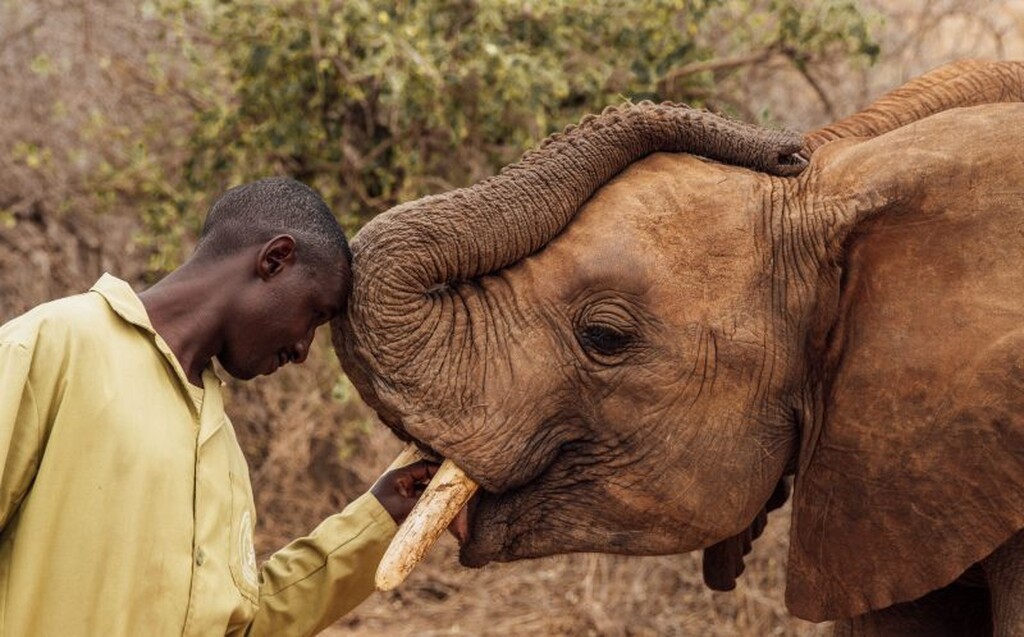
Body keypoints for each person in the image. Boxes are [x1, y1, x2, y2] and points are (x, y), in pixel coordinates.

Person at [0, 177, 435, 636]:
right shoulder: (53, 345)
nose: (303, 349)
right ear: (275, 260)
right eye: (314, 315)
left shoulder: (222, 449)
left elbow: (239, 624)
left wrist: (380, 516)